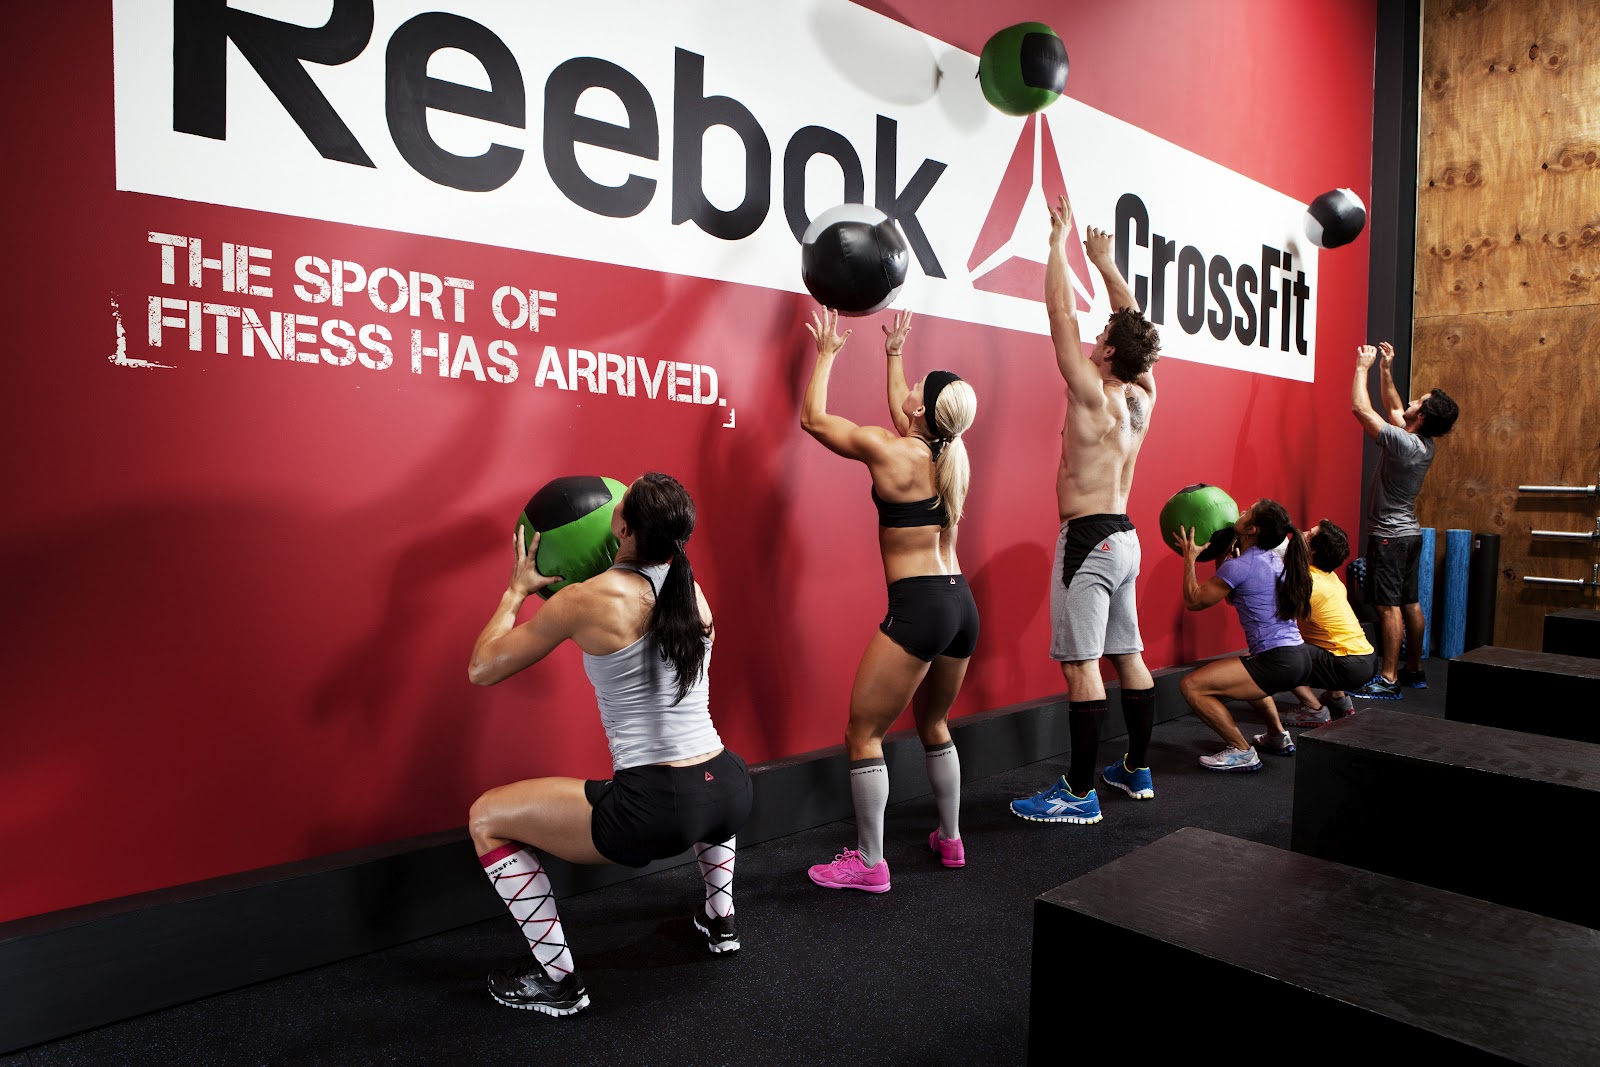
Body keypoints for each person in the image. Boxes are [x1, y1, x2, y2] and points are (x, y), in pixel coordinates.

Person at [465, 472, 752, 1016]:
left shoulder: (586, 599)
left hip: (655, 810)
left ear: (622, 526)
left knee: (485, 819)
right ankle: (720, 920)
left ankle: (558, 982)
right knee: (701, 788)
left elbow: (482, 668)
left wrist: (516, 591)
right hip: (729, 790)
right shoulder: (691, 590)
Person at [800, 306, 979, 892]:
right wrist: (894, 353)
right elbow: (909, 414)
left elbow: (813, 419)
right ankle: (950, 839)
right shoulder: (950, 456)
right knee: (934, 721)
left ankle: (871, 863)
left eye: (917, 388)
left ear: (921, 412)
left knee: (864, 733)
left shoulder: (891, 451)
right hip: (960, 605)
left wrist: (826, 353)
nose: (909, 389)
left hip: (920, 607)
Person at [1011, 197, 1162, 826]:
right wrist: (1105, 264)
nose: (1096, 336)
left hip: (1089, 538)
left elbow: (1059, 315)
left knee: (1082, 664)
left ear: (1108, 353)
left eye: (1103, 337)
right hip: (1124, 535)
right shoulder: (1143, 396)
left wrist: (1058, 243)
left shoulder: (1092, 394)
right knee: (1128, 655)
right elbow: (1137, 331)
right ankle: (1136, 769)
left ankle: (1077, 792)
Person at [1350, 341, 1459, 699]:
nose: (1410, 401)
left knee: (1387, 606)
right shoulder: (1423, 442)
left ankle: (1389, 678)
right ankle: (1414, 670)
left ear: (1422, 416)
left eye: (1418, 402)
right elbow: (1395, 407)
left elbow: (1361, 409)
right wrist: (1385, 369)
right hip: (1409, 535)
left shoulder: (1405, 444)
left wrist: (1363, 367)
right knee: (1410, 602)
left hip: (1389, 537)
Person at [1175, 498, 1312, 771]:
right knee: (1245, 675)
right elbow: (1232, 596)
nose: (1243, 510)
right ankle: (1277, 736)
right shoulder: (1273, 559)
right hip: (1298, 656)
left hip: (1277, 661)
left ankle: (1240, 750)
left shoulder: (1242, 565)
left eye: (1250, 511)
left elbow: (1194, 601)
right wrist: (1224, 556)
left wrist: (1190, 558)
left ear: (1252, 529)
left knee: (1191, 686)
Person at [1254, 520, 1378, 744]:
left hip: (1350, 665)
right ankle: (1338, 698)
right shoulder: (1328, 576)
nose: (1301, 533)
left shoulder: (1308, 584)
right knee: (1319, 642)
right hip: (1364, 658)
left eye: (1308, 534)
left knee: (1276, 653)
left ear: (1313, 551)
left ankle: (1314, 709)